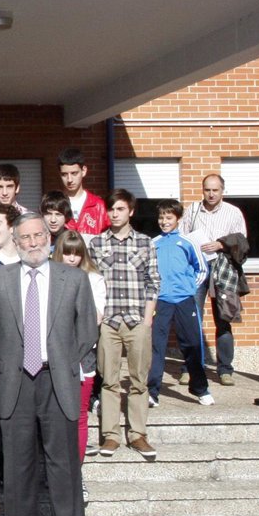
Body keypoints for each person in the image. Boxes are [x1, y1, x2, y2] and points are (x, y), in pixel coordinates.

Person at [0, 213, 97, 516]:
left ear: (49, 237)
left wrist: (64, 361)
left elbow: (86, 331)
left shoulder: (73, 279)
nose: (33, 243)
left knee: (64, 469)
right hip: (16, 383)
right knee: (18, 470)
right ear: (14, 241)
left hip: (57, 381)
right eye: (25, 238)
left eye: (38, 236)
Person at [89, 189, 160, 460]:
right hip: (108, 321)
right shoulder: (97, 243)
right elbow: (91, 282)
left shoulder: (145, 243)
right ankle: (111, 435)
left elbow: (154, 281)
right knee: (109, 380)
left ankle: (138, 434)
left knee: (139, 380)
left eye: (120, 209)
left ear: (130, 211)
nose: (114, 214)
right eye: (111, 209)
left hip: (136, 320)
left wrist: (147, 320)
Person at [179, 174, 249, 386]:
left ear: (222, 191)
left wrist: (221, 244)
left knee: (223, 319)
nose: (211, 194)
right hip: (197, 268)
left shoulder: (233, 212)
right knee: (193, 320)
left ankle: (225, 370)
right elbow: (181, 237)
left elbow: (242, 241)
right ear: (202, 190)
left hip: (222, 268)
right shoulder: (192, 210)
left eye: (215, 190)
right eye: (207, 190)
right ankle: (190, 368)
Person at [149, 200, 212, 405]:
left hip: (185, 300)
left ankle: (200, 389)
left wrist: (189, 288)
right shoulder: (154, 243)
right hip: (161, 302)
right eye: (161, 218)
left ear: (178, 219)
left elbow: (202, 268)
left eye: (169, 218)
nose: (164, 222)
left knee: (192, 344)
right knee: (156, 347)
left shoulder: (188, 242)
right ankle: (152, 392)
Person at [52, 231, 106, 461]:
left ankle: (77, 467)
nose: (72, 258)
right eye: (67, 253)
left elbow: (96, 317)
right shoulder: (48, 276)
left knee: (80, 413)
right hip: (53, 354)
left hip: (82, 355)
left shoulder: (93, 278)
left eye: (77, 253)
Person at [57, 148, 108, 236]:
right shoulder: (54, 205)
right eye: (64, 174)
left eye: (74, 173)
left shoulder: (98, 205)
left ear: (83, 171)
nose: (69, 180)